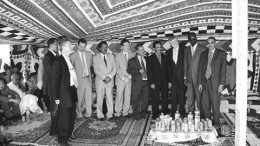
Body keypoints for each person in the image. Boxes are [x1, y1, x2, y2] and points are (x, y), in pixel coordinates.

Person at [51, 39, 78, 145]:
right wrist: (56, 97)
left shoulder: (68, 59)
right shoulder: (59, 61)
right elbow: (54, 81)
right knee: (64, 116)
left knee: (71, 115)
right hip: (63, 93)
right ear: (63, 48)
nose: (72, 47)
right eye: (69, 46)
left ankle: (68, 135)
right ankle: (62, 139)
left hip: (71, 90)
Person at [199, 37, 226, 130]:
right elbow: (201, 69)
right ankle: (207, 121)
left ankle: (216, 123)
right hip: (205, 82)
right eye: (208, 43)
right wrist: (200, 83)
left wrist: (221, 84)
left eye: (212, 43)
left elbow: (223, 70)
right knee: (205, 104)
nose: (210, 44)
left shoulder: (221, 53)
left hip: (216, 83)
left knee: (215, 104)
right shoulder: (203, 54)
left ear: (215, 43)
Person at [184, 32, 206, 114]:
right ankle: (190, 114)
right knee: (190, 98)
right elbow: (185, 63)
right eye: (191, 39)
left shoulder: (203, 49)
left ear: (196, 38)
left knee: (200, 98)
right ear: (188, 40)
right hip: (189, 78)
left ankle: (200, 115)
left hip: (199, 78)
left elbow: (204, 66)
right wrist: (185, 77)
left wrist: (203, 80)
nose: (193, 41)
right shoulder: (186, 50)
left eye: (194, 39)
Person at [93, 41, 116, 120]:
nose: (105, 49)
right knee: (100, 98)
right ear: (100, 48)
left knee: (110, 98)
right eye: (103, 47)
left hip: (110, 81)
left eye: (106, 47)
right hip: (100, 81)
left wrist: (109, 77)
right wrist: (104, 78)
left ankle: (110, 114)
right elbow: (96, 70)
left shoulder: (111, 57)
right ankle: (100, 115)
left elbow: (114, 68)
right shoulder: (95, 57)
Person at [147, 40, 171, 119]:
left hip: (165, 81)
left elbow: (168, 70)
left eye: (160, 47)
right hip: (155, 82)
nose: (160, 49)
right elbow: (149, 72)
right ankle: (155, 114)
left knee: (165, 97)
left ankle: (164, 112)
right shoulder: (150, 58)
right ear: (154, 49)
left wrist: (169, 81)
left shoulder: (165, 57)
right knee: (155, 98)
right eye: (157, 47)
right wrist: (151, 83)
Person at [70, 38, 93, 119]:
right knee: (79, 98)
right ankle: (79, 113)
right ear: (77, 45)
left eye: (84, 47)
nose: (82, 49)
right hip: (79, 80)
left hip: (87, 78)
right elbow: (71, 68)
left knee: (88, 96)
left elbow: (90, 66)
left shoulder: (89, 54)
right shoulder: (73, 56)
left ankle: (88, 112)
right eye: (80, 47)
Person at [127, 45, 149, 119]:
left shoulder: (147, 59)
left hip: (146, 82)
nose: (143, 51)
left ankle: (143, 114)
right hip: (137, 82)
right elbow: (129, 70)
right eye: (141, 50)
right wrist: (138, 70)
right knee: (135, 99)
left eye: (143, 50)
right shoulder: (132, 60)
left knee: (145, 99)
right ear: (136, 51)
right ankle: (135, 114)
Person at [114, 39, 135, 117]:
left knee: (127, 95)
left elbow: (134, 68)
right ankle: (117, 112)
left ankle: (125, 112)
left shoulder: (132, 55)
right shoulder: (117, 55)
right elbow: (117, 68)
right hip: (120, 79)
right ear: (121, 47)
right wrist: (123, 78)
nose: (127, 47)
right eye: (126, 45)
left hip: (129, 79)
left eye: (128, 45)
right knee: (119, 96)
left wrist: (129, 77)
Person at [167, 36, 186, 118]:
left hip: (183, 77)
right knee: (173, 95)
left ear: (177, 40)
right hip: (173, 78)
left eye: (174, 41)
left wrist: (186, 76)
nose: (173, 43)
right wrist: (169, 80)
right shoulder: (168, 51)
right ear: (170, 44)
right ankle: (173, 113)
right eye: (171, 43)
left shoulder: (185, 49)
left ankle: (182, 113)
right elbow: (168, 67)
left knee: (182, 95)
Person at [42, 38, 58, 135]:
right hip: (52, 87)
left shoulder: (53, 55)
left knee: (56, 108)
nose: (58, 47)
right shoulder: (48, 56)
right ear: (51, 45)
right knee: (54, 108)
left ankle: (56, 127)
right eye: (56, 45)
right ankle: (53, 130)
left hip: (54, 86)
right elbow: (51, 74)